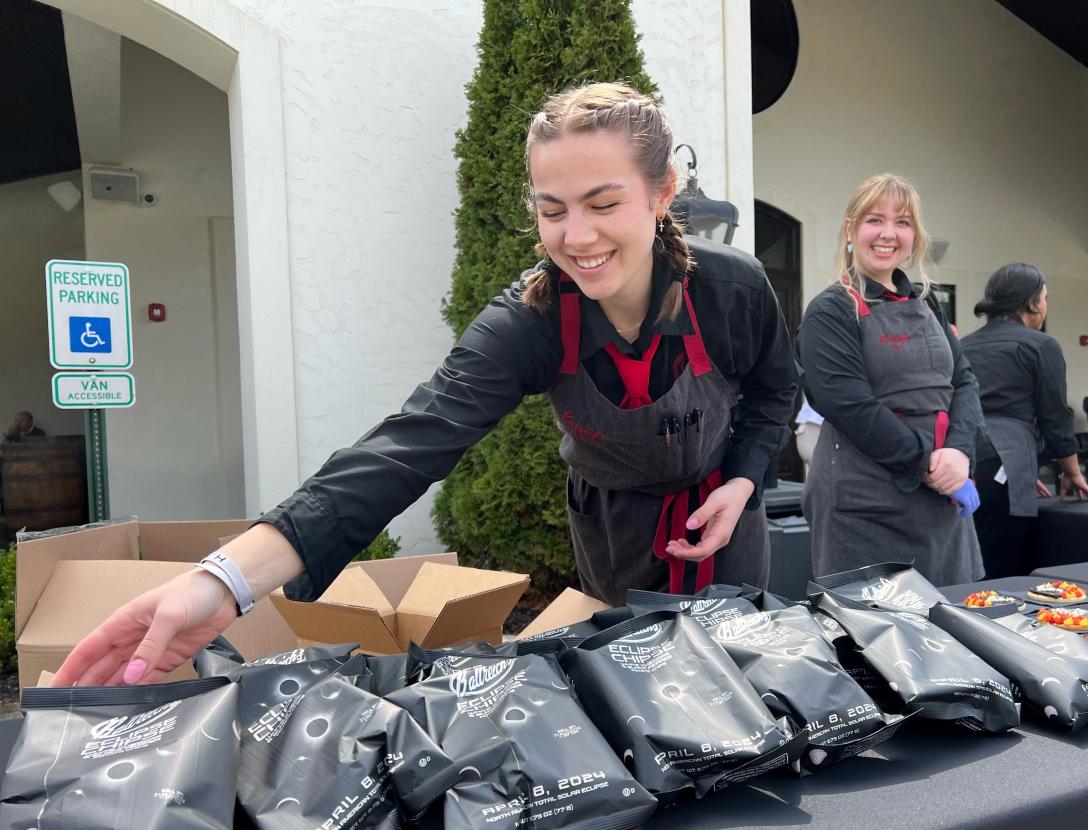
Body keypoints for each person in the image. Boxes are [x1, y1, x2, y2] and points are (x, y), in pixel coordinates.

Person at [52, 82, 798, 687]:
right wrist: (220, 584)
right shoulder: (534, 318)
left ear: (663, 190)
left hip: (724, 513)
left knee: (739, 679)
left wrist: (743, 480)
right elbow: (407, 447)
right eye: (551, 210)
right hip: (614, 525)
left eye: (605, 204)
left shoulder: (730, 287)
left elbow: (774, 392)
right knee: (643, 688)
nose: (578, 237)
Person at [795, 173, 984, 586]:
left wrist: (959, 453)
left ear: (914, 235)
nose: (888, 233)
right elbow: (847, 403)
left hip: (941, 490)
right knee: (873, 636)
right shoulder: (831, 311)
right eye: (874, 220)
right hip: (863, 504)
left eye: (902, 222)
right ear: (851, 229)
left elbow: (965, 383)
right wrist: (926, 462)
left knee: (950, 625)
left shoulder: (927, 301)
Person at [960, 263, 1088, 579]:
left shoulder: (963, 345)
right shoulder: (1040, 345)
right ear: (1033, 302)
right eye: (1045, 298)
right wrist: (1072, 471)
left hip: (960, 459)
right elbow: (1055, 417)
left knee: (967, 561)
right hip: (1006, 456)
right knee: (1000, 568)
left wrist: (1021, 471)